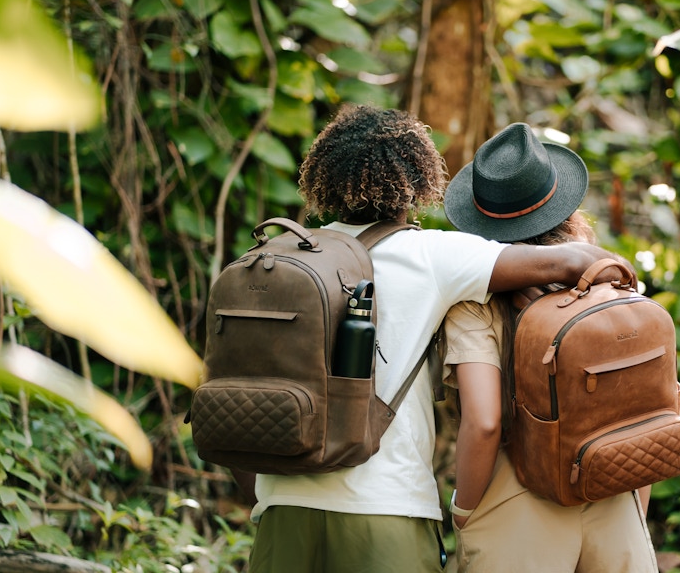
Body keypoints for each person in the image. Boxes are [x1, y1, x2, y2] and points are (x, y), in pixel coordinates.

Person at [241, 104, 631, 573]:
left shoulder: (274, 257)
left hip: (281, 507)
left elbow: (234, 384)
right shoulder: (431, 255)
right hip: (387, 509)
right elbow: (578, 261)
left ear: (325, 178)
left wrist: (264, 496)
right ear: (414, 181)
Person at [441, 123, 659, 572]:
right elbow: (649, 403)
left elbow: (484, 422)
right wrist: (634, 504)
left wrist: (465, 509)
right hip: (612, 495)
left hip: (515, 510)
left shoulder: (476, 303)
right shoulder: (609, 286)